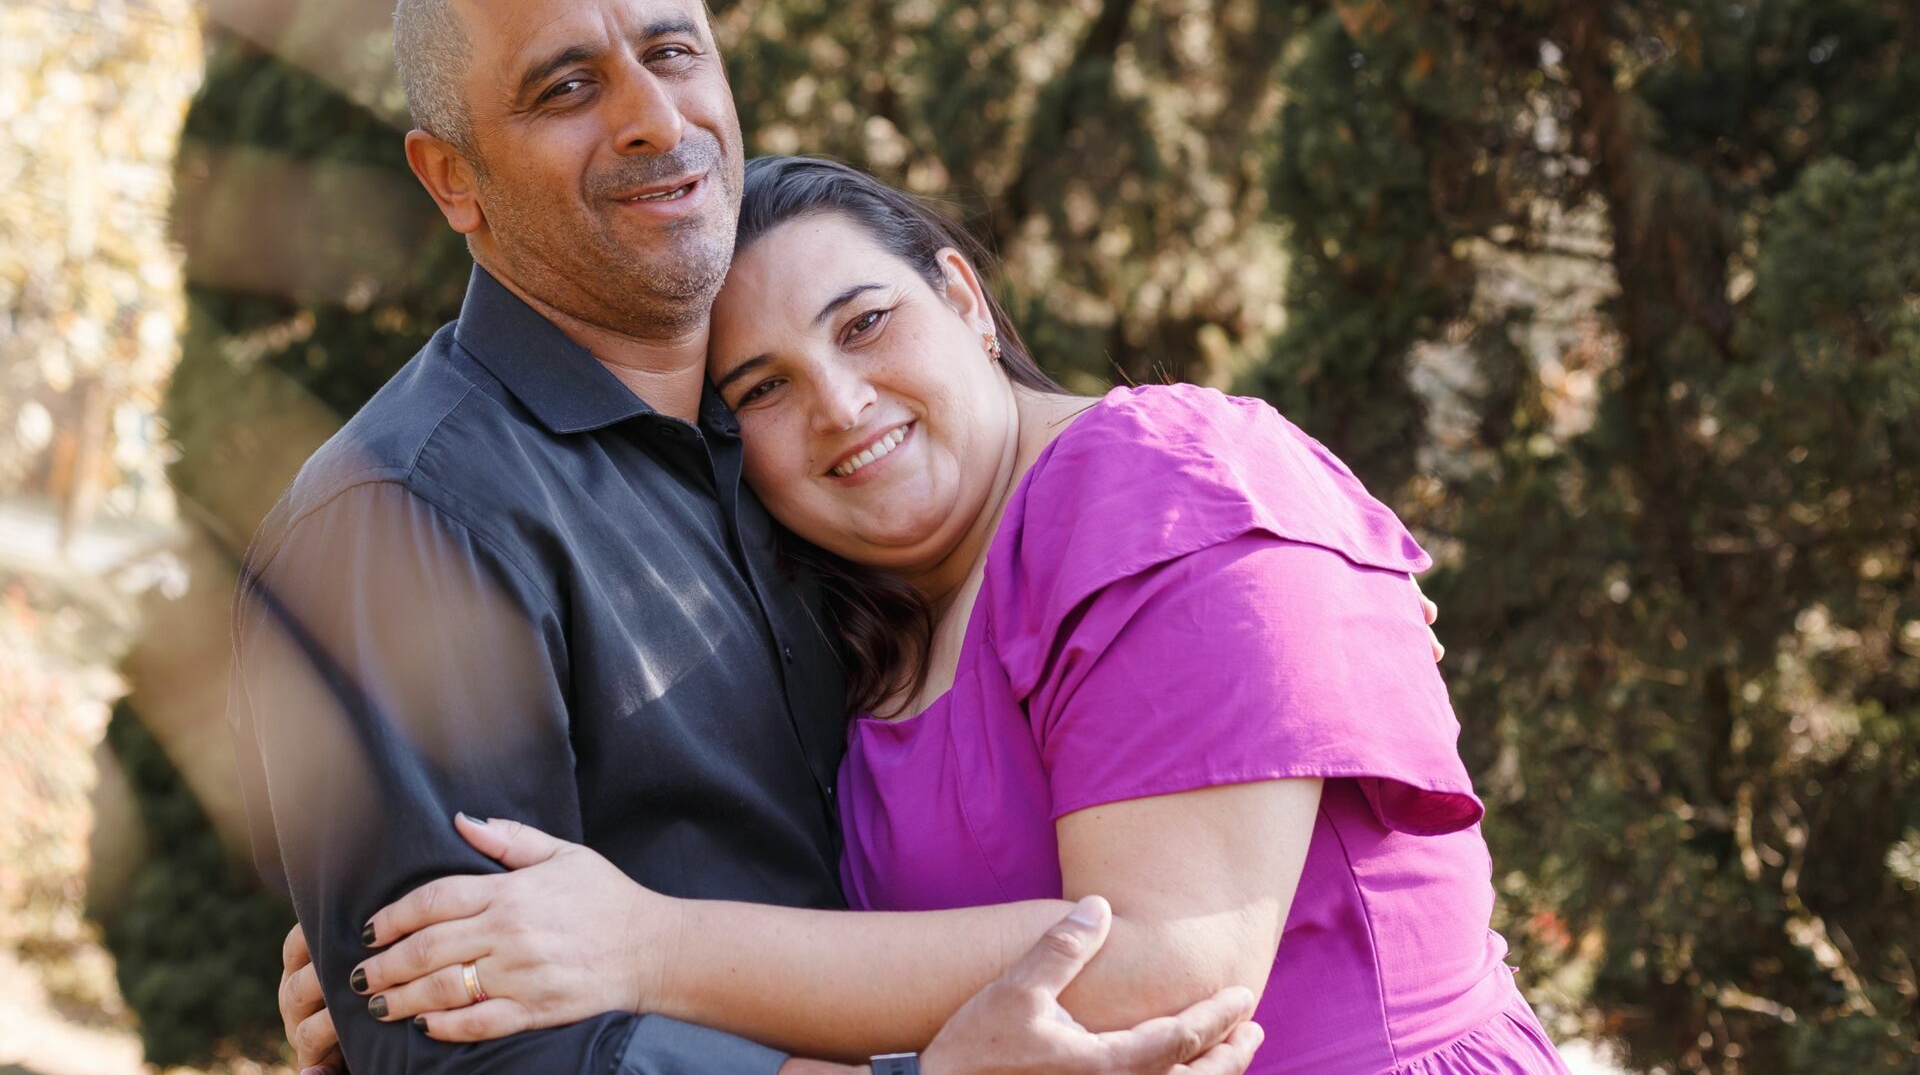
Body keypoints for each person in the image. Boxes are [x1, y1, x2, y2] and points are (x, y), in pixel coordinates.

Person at [232, 0, 1263, 1075]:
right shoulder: (406, 516)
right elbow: (470, 1050)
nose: (651, 117)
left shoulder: (799, 449)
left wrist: (1277, 571)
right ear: (452, 177)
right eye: (566, 88)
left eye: (673, 53)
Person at [276, 160, 1571, 1074]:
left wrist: (639, 948)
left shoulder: (1166, 483)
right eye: (762, 390)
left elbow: (1162, 967)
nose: (839, 405)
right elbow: (892, 992)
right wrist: (440, 966)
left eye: (865, 322)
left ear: (962, 296)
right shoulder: (868, 636)